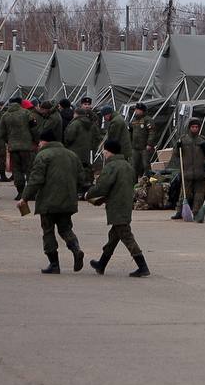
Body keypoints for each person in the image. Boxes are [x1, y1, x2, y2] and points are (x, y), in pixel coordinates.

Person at [20, 128, 85, 274]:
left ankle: (54, 264)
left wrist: (25, 197)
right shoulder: (72, 155)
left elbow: (36, 179)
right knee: (65, 228)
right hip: (68, 200)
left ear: (43, 141)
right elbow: (82, 178)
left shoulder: (43, 155)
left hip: (48, 201)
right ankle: (76, 249)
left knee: (48, 231)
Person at [87, 138, 150, 277]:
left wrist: (89, 193)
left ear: (110, 152)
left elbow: (102, 186)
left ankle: (143, 266)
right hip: (125, 204)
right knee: (113, 237)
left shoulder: (111, 167)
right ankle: (101, 264)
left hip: (117, 206)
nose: (103, 153)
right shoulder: (128, 166)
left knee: (126, 236)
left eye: (105, 150)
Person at [172, 118, 205, 221]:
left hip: (199, 171)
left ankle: (196, 211)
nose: (195, 129)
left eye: (196, 127)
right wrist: (177, 146)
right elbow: (176, 154)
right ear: (189, 128)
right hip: (187, 171)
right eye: (193, 127)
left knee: (199, 194)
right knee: (184, 193)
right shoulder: (183, 139)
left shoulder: (202, 140)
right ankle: (180, 212)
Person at [0, 99, 37, 199]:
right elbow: (34, 129)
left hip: (13, 147)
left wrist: (9, 141)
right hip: (27, 146)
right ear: (20, 103)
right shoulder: (27, 113)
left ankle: (20, 192)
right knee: (29, 169)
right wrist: (36, 141)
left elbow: (1, 133)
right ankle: (30, 193)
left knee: (17, 170)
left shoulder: (5, 116)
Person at [64, 99, 103, 194]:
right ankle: (86, 189)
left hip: (75, 151)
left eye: (88, 104)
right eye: (85, 104)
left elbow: (69, 137)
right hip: (88, 151)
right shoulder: (91, 122)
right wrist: (92, 147)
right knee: (87, 169)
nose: (87, 106)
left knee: (76, 169)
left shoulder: (75, 123)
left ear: (76, 113)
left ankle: (77, 190)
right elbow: (97, 137)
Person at [129, 103, 153, 180]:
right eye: (135, 109)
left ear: (142, 111)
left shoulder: (147, 120)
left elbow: (152, 132)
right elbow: (130, 131)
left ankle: (148, 181)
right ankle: (134, 182)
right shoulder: (134, 120)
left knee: (146, 165)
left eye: (137, 110)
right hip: (135, 147)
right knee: (134, 165)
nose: (136, 111)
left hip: (144, 147)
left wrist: (149, 144)